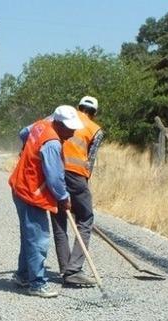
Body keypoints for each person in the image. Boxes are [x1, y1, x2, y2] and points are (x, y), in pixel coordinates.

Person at [9, 105, 84, 298]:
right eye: (70, 128)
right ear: (58, 123)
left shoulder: (40, 125)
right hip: (30, 192)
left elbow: (23, 132)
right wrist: (63, 198)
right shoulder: (52, 143)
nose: (73, 132)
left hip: (21, 186)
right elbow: (55, 177)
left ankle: (23, 275)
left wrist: (26, 149)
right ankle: (36, 283)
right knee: (38, 238)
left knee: (29, 235)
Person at [52, 96, 105, 287]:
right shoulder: (96, 129)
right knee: (85, 218)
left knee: (59, 220)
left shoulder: (61, 119)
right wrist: (82, 192)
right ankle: (74, 269)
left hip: (55, 171)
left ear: (79, 107)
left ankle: (65, 267)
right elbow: (90, 161)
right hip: (77, 176)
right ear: (94, 112)